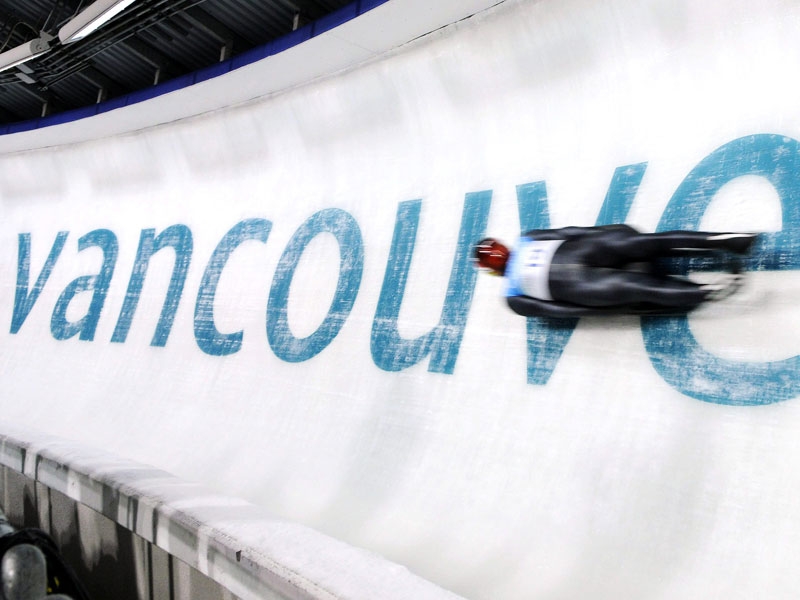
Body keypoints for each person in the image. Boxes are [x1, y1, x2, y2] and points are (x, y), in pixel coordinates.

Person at [474, 225, 758, 317]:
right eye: (496, 253)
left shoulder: (514, 293)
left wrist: (604, 311)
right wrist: (613, 231)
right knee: (647, 248)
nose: (500, 254)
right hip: (587, 256)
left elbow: (562, 310)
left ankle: (709, 288)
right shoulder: (529, 240)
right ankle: (723, 242)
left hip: (582, 275)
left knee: (639, 283)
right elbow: (574, 232)